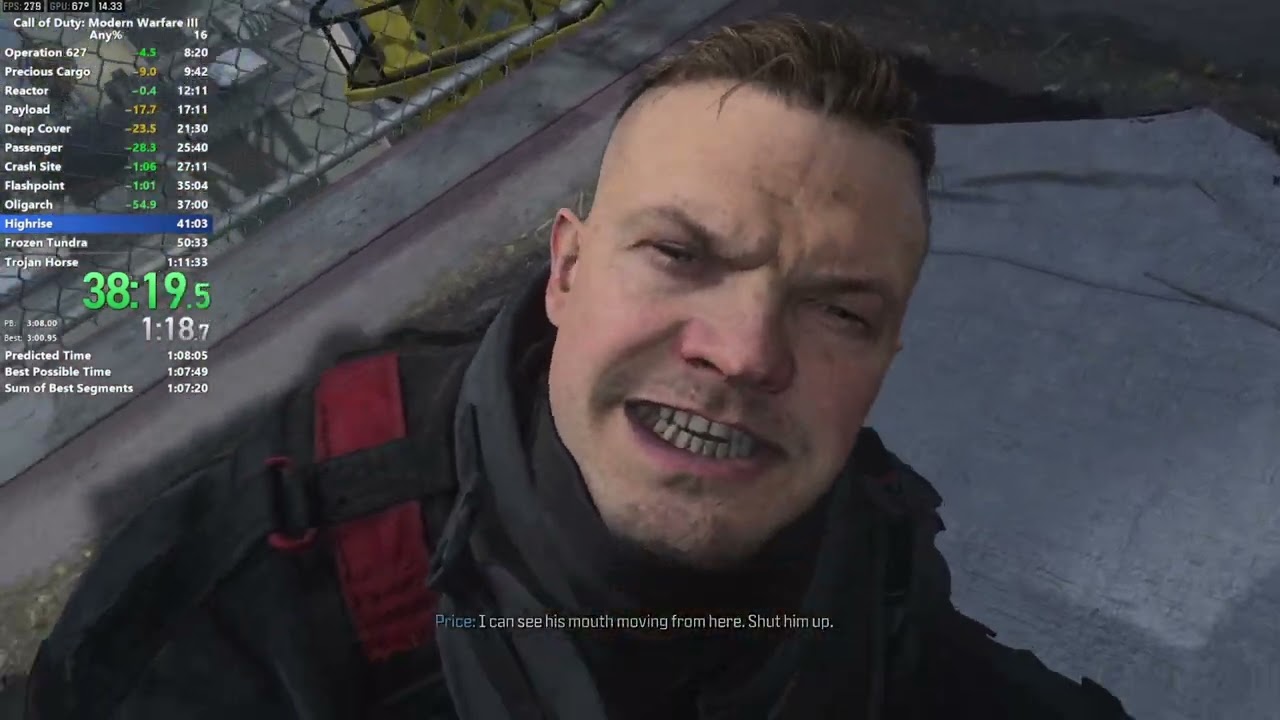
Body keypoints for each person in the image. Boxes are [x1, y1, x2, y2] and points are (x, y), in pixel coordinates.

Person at [23, 16, 1133, 720]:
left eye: (838, 309)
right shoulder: (263, 587)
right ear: (565, 271)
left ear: (887, 357)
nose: (744, 352)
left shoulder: (865, 544)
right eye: (680, 255)